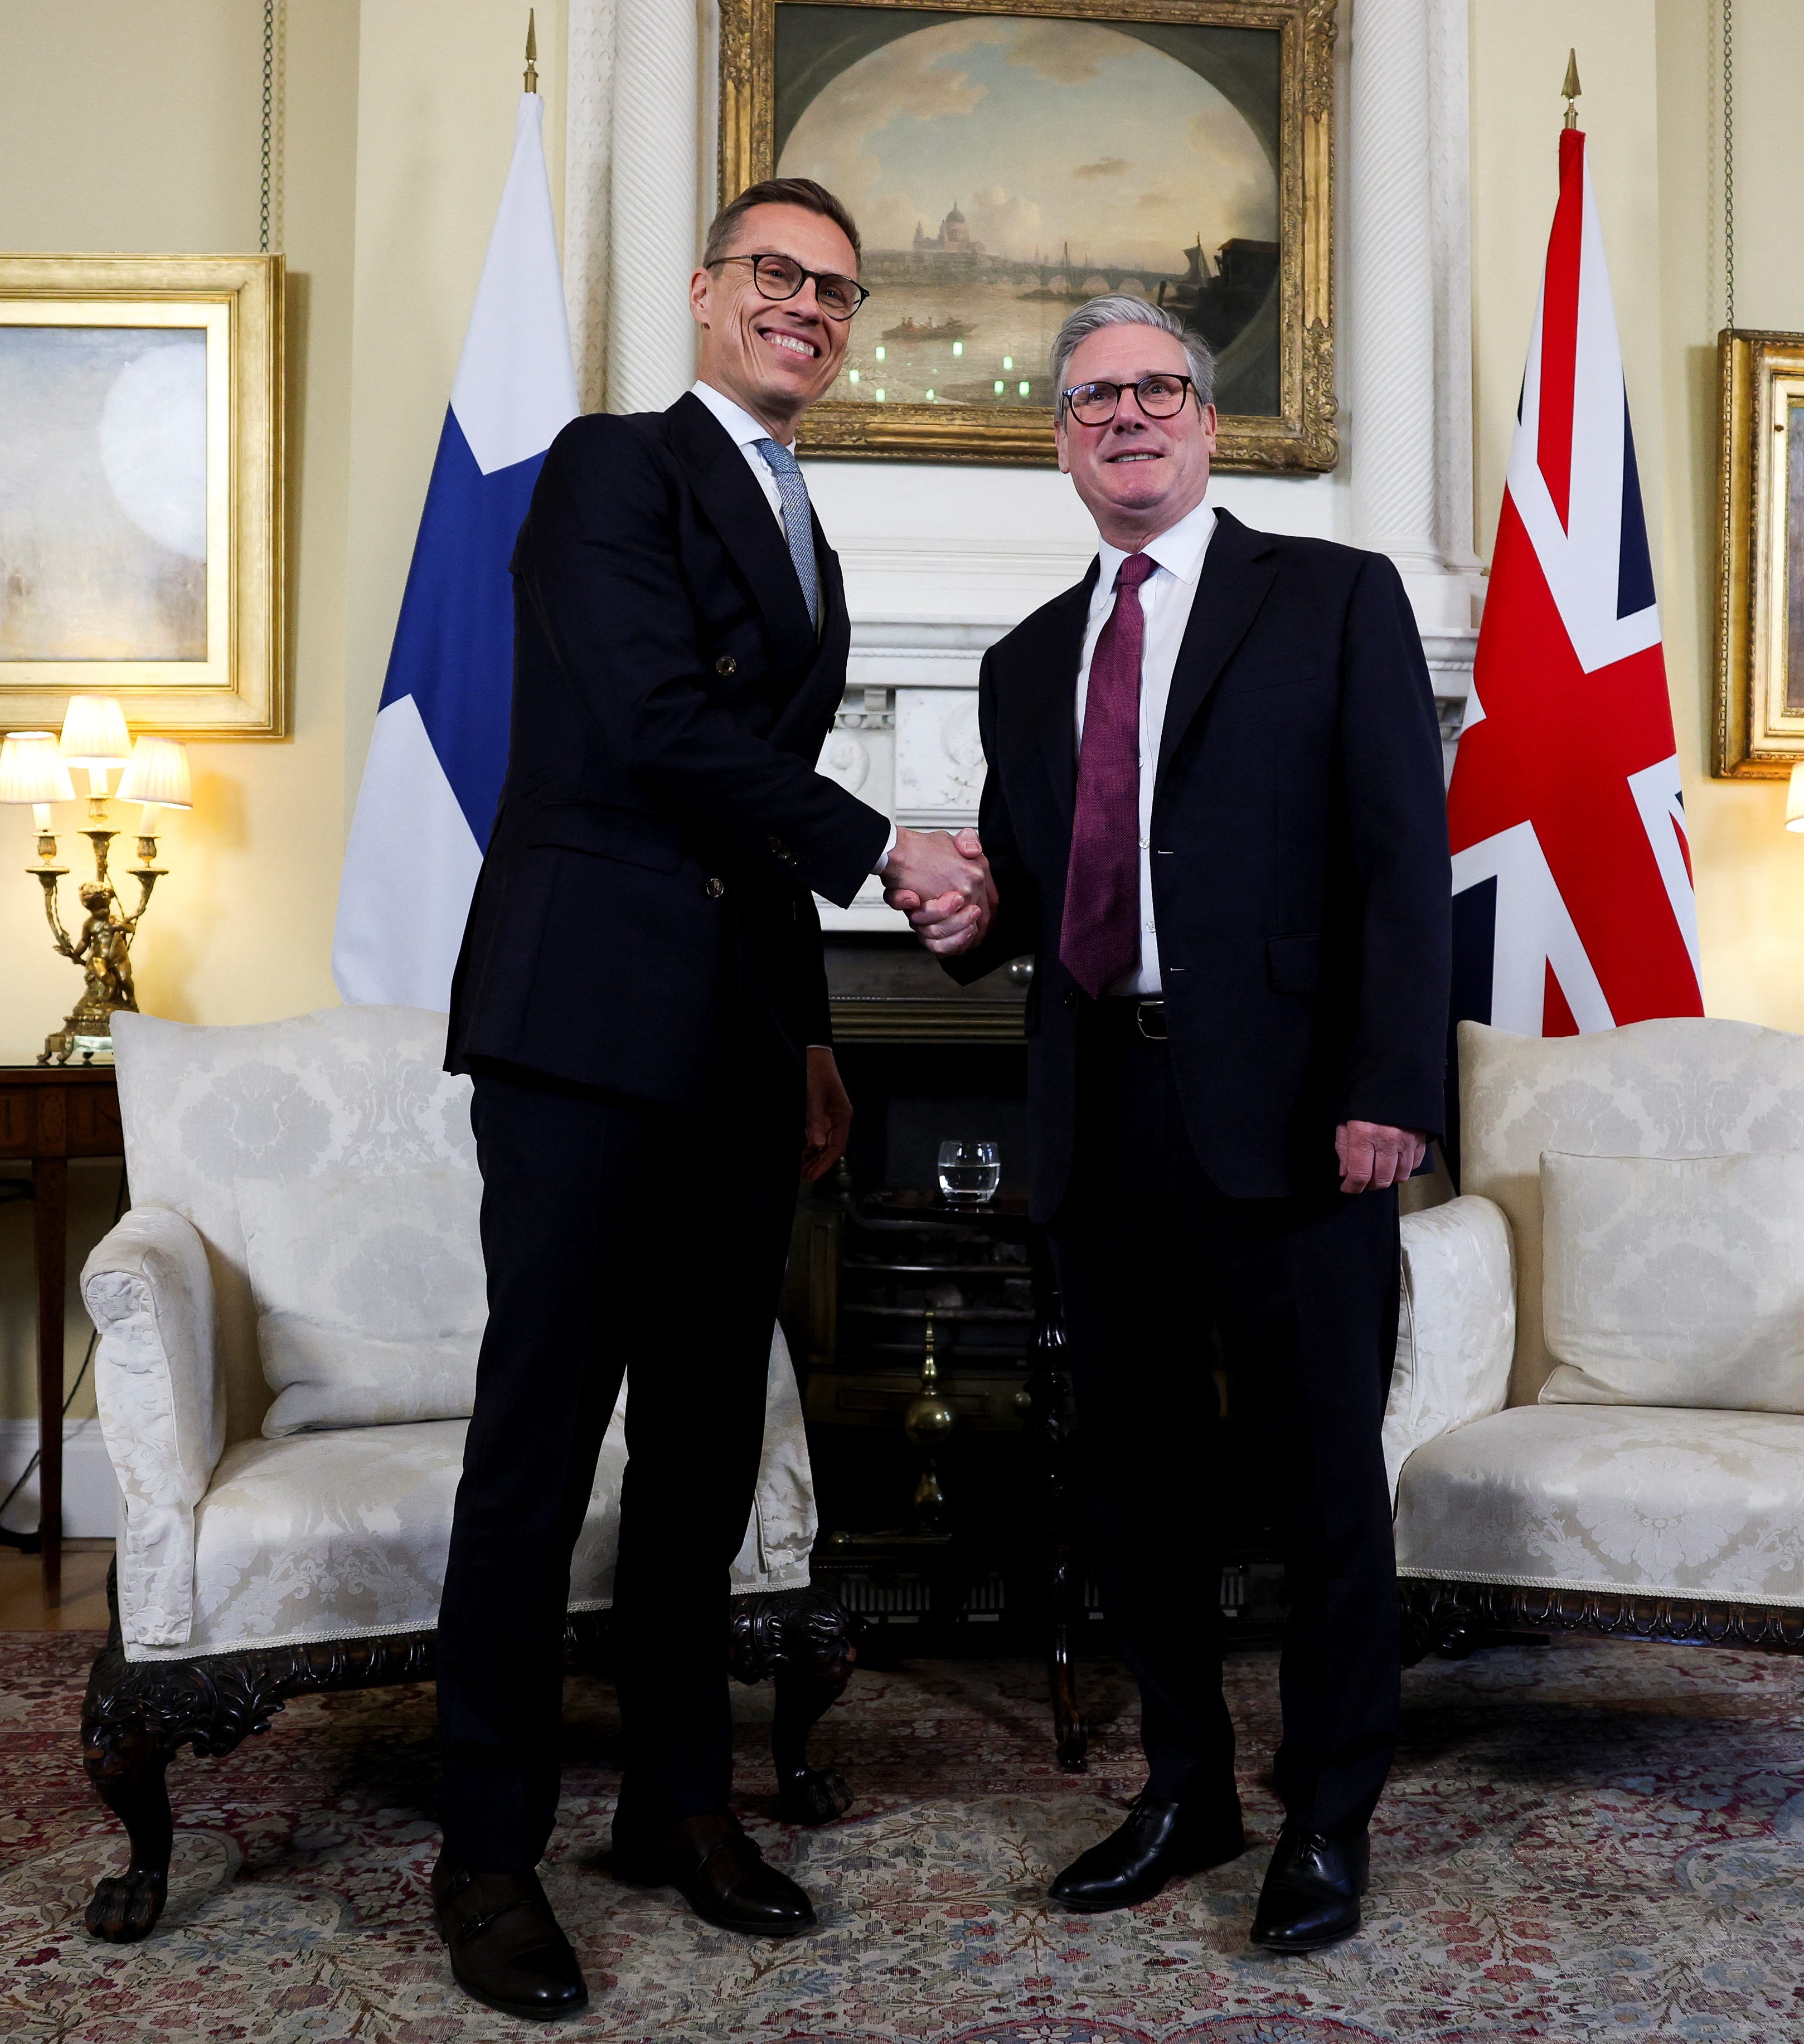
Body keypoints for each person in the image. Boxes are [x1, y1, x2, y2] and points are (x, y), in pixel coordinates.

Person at [433, 176, 991, 2021]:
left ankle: (674, 1805)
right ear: (700, 291)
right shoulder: (610, 466)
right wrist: (888, 847)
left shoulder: (803, 519)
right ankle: (486, 1850)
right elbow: (664, 727)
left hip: (735, 1043)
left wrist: (813, 1035)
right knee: (537, 1451)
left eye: (837, 289)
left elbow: (736, 824)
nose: (807, 306)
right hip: (586, 1028)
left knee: (693, 1458)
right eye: (775, 274)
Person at [895, 296, 1450, 1954]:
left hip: (1292, 1115)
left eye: (1154, 390)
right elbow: (1034, 895)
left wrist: (1388, 1089)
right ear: (1059, 439)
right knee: (1135, 1487)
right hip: (1099, 1110)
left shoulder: (1336, 600)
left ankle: (1329, 1814)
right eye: (1090, 400)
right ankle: (1185, 1784)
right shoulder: (1016, 665)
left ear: (1206, 423)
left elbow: (1397, 870)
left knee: (1320, 1483)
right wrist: (961, 916)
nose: (1125, 417)